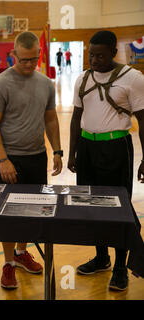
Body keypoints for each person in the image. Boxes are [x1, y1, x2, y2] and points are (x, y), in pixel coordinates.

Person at [0, 31, 63, 289]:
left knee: (30, 211)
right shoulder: (0, 84)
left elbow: (50, 119)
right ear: (13, 55)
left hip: (36, 157)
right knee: (8, 215)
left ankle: (20, 253)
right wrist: (3, 159)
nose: (29, 64)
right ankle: (8, 264)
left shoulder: (46, 83)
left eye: (33, 59)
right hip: (9, 160)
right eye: (24, 59)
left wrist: (58, 151)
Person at [68, 30, 144, 291]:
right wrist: (72, 152)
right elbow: (76, 117)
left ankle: (121, 266)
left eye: (100, 55)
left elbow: (143, 120)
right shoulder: (82, 78)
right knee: (91, 207)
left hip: (117, 147)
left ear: (114, 52)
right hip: (88, 148)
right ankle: (102, 258)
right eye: (91, 55)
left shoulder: (132, 78)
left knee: (118, 209)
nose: (95, 60)